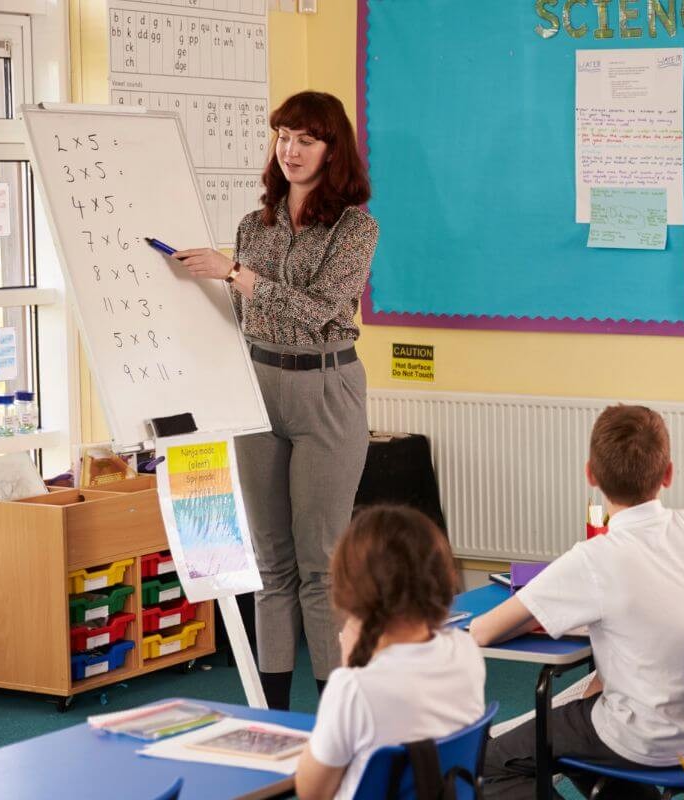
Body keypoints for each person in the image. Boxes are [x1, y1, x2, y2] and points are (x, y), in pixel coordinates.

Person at [471, 405, 684, 800]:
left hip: (637, 739)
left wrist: (537, 618)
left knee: (489, 761)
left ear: (590, 475)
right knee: (587, 713)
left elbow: (482, 630)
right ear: (668, 473)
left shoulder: (594, 558)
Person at [174, 91, 377, 709]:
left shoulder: (355, 227)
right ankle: (274, 714)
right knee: (268, 562)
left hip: (326, 387)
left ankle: (337, 712)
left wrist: (238, 274)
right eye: (283, 136)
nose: (290, 149)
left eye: (305, 139)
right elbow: (241, 320)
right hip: (255, 388)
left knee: (321, 562)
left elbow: (319, 314)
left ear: (332, 149)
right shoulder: (250, 226)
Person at [294, 506, 484, 800]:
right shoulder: (465, 651)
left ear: (350, 591)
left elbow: (310, 791)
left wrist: (350, 668)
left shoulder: (353, 689)